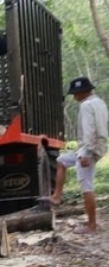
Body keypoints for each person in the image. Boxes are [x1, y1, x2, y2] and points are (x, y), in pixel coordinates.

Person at [50, 76, 108, 234]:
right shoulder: (100, 103)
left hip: (89, 149)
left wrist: (86, 154)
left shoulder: (86, 105)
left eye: (76, 93)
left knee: (86, 186)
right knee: (61, 161)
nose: (74, 97)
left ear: (83, 92)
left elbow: (90, 130)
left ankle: (92, 225)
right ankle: (56, 196)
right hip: (95, 146)